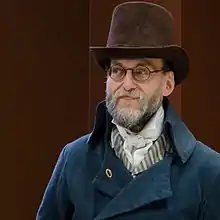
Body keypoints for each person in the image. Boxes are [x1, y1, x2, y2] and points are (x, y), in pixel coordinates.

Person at [36, 2, 220, 220]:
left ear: (168, 83)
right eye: (117, 70)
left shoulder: (207, 171)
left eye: (141, 72)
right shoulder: (75, 160)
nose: (127, 84)